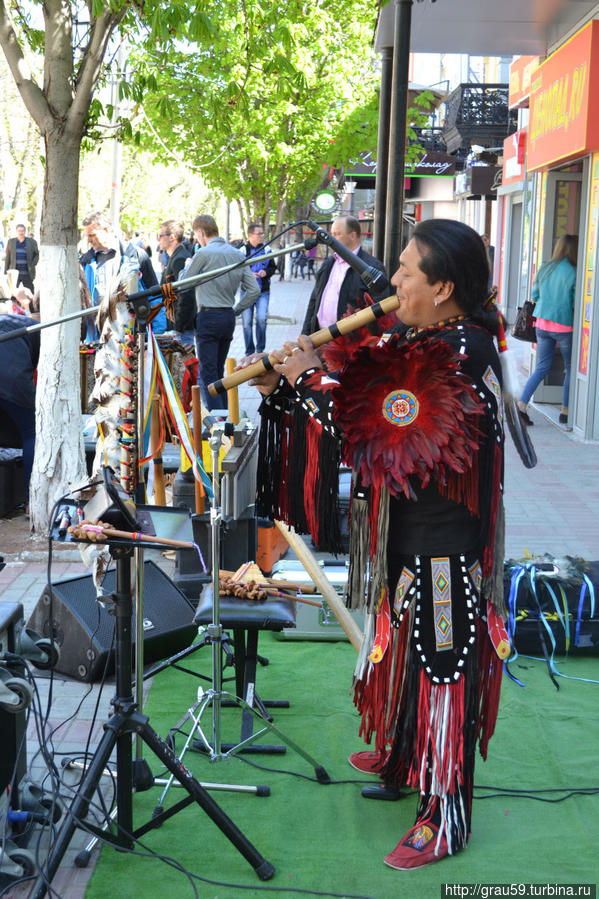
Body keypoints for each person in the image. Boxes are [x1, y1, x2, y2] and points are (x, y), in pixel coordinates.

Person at [246, 219, 506, 870]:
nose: (391, 281)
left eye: (406, 271)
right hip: (405, 532)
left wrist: (306, 379)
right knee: (402, 650)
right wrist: (312, 369)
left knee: (441, 664)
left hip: (445, 543)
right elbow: (368, 376)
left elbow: (381, 420)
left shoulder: (462, 349)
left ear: (443, 287)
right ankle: (402, 754)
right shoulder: (427, 334)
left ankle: (444, 813)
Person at [186, 214, 260, 410]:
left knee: (208, 372)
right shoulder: (237, 254)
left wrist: (187, 268)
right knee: (218, 371)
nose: (197, 241)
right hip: (227, 316)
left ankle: (218, 418)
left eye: (196, 236)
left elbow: (184, 283)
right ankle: (226, 414)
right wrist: (236, 310)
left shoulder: (203, 254)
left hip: (208, 316)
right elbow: (254, 290)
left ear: (201, 233)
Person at [517, 234, 577, 427]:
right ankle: (564, 412)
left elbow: (535, 294)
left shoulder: (545, 267)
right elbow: (576, 302)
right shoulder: (574, 271)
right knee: (569, 368)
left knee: (542, 367)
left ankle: (521, 405)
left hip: (542, 324)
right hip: (564, 324)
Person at [80, 211, 160, 340]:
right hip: (97, 335)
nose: (88, 240)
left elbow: (156, 296)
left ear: (107, 230)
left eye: (92, 235)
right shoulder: (86, 261)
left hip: (130, 334)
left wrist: (156, 334)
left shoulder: (136, 255)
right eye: (87, 236)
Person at [301, 215, 387, 334]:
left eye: (337, 234)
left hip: (348, 345)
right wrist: (305, 334)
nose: (332, 238)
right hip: (319, 337)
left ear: (352, 235)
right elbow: (314, 300)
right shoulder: (328, 263)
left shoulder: (371, 267)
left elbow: (379, 309)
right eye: (332, 234)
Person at [0, 311, 40, 505]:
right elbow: (41, 375)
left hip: (11, 367)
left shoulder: (12, 320)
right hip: (11, 372)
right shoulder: (42, 330)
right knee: (32, 431)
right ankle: (33, 501)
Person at [158, 219, 196, 348]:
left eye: (160, 236)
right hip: (176, 325)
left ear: (172, 237)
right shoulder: (174, 257)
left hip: (181, 328)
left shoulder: (180, 258)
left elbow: (187, 295)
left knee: (185, 366)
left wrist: (178, 328)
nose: (158, 240)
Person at [241, 224, 277, 355]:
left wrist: (266, 272)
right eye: (259, 233)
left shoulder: (267, 249)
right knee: (246, 322)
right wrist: (248, 274)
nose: (262, 236)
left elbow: (273, 267)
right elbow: (237, 270)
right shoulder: (242, 250)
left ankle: (260, 349)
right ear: (250, 235)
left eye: (263, 233)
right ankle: (249, 352)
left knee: (262, 319)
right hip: (247, 291)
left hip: (263, 291)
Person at [4, 224, 39, 292]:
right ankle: (14, 303)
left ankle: (31, 303)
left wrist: (32, 264)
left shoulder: (31, 242)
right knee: (13, 293)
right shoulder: (11, 242)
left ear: (25, 231)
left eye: (22, 231)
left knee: (30, 292)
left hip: (27, 273)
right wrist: (6, 271)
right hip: (14, 273)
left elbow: (37, 254)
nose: (21, 232)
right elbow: (8, 257)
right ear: (16, 231)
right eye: (19, 231)